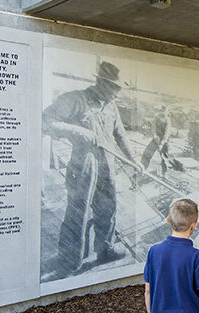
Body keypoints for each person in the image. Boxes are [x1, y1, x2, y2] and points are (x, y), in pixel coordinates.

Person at [43, 61, 140, 278]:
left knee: (108, 209)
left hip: (108, 164)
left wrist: (134, 159)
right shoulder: (75, 99)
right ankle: (70, 261)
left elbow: (121, 135)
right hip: (83, 166)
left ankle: (104, 250)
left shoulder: (111, 106)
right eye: (115, 88)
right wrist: (76, 130)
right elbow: (46, 121)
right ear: (102, 83)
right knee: (78, 212)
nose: (117, 94)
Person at [141, 105, 171, 177]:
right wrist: (155, 137)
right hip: (156, 138)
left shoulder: (168, 120)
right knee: (147, 153)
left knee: (164, 157)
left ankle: (164, 173)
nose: (162, 114)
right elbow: (153, 129)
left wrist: (161, 144)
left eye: (164, 112)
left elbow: (166, 133)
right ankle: (142, 168)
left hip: (164, 141)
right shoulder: (156, 118)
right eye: (161, 112)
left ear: (166, 112)